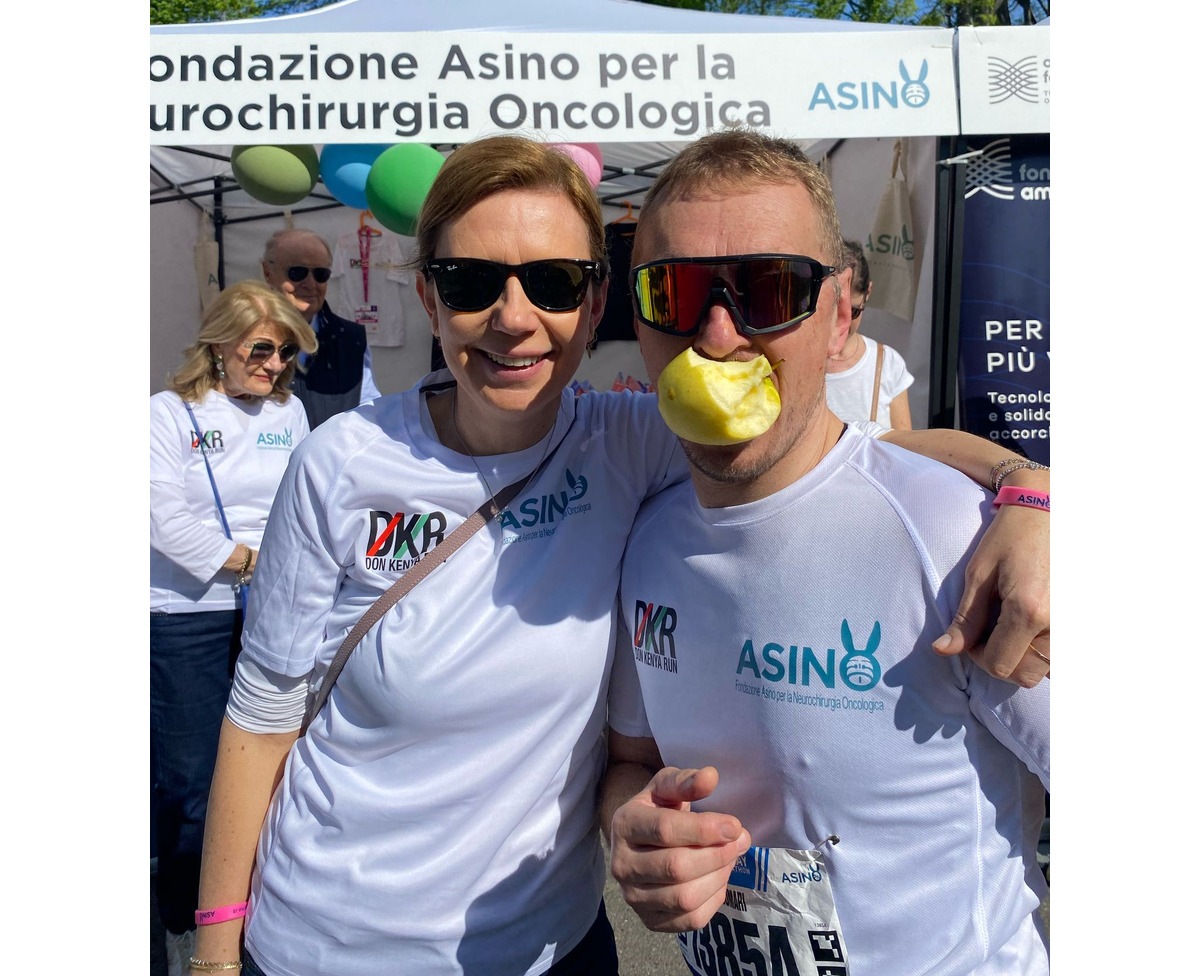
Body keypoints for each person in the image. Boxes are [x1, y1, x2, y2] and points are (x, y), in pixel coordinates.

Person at [191, 135, 1048, 976]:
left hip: (547, 947)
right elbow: (261, 717)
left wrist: (1029, 489)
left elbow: (839, 449)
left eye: (555, 282)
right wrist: (215, 953)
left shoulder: (629, 443)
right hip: (327, 940)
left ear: (595, 302)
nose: (513, 317)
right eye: (470, 282)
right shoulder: (344, 462)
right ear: (428, 296)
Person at [604, 130, 1050, 976]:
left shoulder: (957, 536)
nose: (719, 335)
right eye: (676, 291)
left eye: (770, 289)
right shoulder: (646, 537)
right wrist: (632, 830)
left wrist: (1036, 493)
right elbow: (633, 759)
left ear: (840, 319)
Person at [151, 280, 316, 976]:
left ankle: (253, 909)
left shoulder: (291, 411)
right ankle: (185, 923)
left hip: (271, 608)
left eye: (285, 352)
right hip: (188, 613)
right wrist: (249, 560)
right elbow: (159, 516)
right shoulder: (168, 413)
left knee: (274, 769)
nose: (275, 365)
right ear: (220, 344)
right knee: (191, 783)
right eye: (261, 349)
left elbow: (305, 502)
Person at [260, 228, 382, 427]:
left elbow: (368, 413)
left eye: (320, 274)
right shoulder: (244, 339)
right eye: (297, 272)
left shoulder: (351, 340)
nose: (310, 284)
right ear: (268, 273)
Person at [825, 238, 914, 429]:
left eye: (853, 311)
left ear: (868, 293)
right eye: (832, 311)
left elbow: (903, 444)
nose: (841, 322)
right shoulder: (800, 362)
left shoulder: (888, 365)